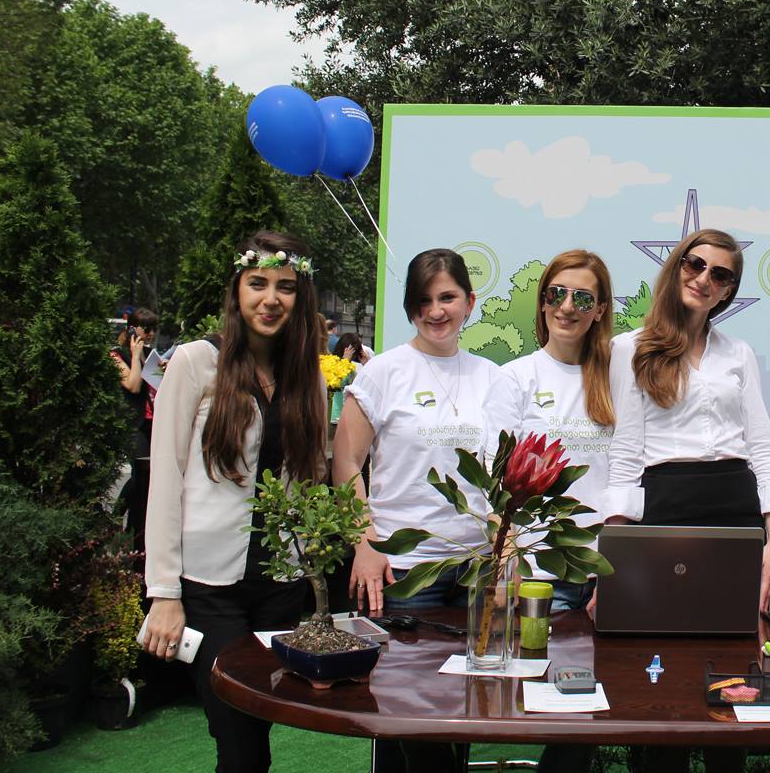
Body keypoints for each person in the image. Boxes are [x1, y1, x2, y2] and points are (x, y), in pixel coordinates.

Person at [605, 229, 770, 773]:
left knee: (731, 673)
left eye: (721, 274)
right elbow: (625, 454)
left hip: (735, 514)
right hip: (664, 512)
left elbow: (761, 446)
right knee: (657, 671)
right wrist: (612, 556)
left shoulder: (739, 354)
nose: (704, 278)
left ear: (729, 290)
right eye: (695, 264)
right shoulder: (630, 348)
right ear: (677, 267)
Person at [142, 231, 329, 773]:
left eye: (285, 287)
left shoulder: (309, 378)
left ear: (300, 297)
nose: (271, 299)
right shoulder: (196, 362)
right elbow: (166, 479)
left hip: (279, 585)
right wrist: (164, 593)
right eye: (258, 284)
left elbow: (310, 482)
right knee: (238, 738)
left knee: (257, 729)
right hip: (208, 587)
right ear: (237, 290)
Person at [332, 248, 516, 773]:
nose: (436, 311)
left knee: (465, 705)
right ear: (411, 307)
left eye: (447, 298)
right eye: (424, 301)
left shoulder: (493, 378)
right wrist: (365, 542)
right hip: (405, 570)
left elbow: (500, 475)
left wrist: (505, 555)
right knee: (405, 709)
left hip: (475, 569)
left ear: (470, 302)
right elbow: (346, 463)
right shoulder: (382, 373)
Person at [502, 250, 615, 611]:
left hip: (606, 574)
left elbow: (630, 477)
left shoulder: (618, 380)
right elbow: (492, 475)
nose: (567, 307)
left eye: (582, 299)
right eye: (556, 294)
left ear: (599, 310)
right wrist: (507, 556)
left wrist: (621, 568)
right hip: (539, 576)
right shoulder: (514, 377)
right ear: (542, 301)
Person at [111, 306, 159, 552]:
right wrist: (135, 355)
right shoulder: (115, 355)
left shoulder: (150, 354)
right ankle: (118, 518)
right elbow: (133, 385)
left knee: (146, 479)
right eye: (146, 329)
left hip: (154, 423)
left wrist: (147, 359)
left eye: (154, 329)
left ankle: (134, 527)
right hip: (133, 424)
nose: (150, 334)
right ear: (132, 329)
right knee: (142, 472)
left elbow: (159, 383)